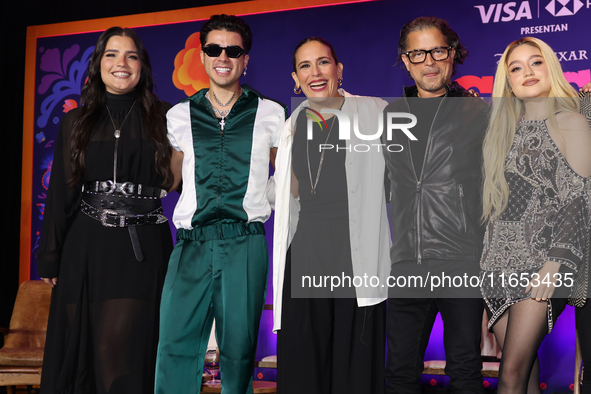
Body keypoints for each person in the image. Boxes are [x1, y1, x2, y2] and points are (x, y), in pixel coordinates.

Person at [37, 27, 175, 394]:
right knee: (82, 352)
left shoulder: (168, 117)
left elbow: (179, 180)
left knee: (118, 348)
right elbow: (63, 193)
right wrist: (50, 257)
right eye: (112, 54)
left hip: (141, 247)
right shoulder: (75, 120)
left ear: (142, 66)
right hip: (86, 246)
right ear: (98, 64)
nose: (121, 63)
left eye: (131, 56)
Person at [155, 14, 287, 394]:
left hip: (244, 242)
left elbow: (292, 175)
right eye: (214, 49)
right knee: (174, 344)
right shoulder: (178, 115)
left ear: (246, 59)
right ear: (202, 55)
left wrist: (269, 198)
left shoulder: (271, 112)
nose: (223, 56)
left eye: (233, 50)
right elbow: (169, 180)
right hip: (191, 243)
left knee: (239, 350)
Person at [272, 37, 391, 394]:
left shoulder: (376, 111)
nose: (315, 72)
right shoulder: (292, 124)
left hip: (357, 252)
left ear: (339, 70)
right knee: (303, 360)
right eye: (305, 66)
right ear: (296, 78)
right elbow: (285, 191)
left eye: (323, 62)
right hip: (307, 250)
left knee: (356, 359)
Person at [383, 17, 490, 394]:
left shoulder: (479, 113)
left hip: (462, 258)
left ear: (452, 54)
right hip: (407, 261)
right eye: (418, 52)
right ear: (405, 60)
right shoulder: (389, 116)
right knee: (398, 371)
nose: (429, 61)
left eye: (437, 50)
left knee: (464, 367)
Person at [480, 37, 591, 394]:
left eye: (536, 62)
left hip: (543, 262)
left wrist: (555, 263)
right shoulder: (500, 132)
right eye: (516, 67)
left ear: (551, 68)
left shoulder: (571, 121)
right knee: (522, 370)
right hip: (496, 265)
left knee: (510, 372)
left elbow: (578, 198)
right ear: (508, 81)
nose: (527, 72)